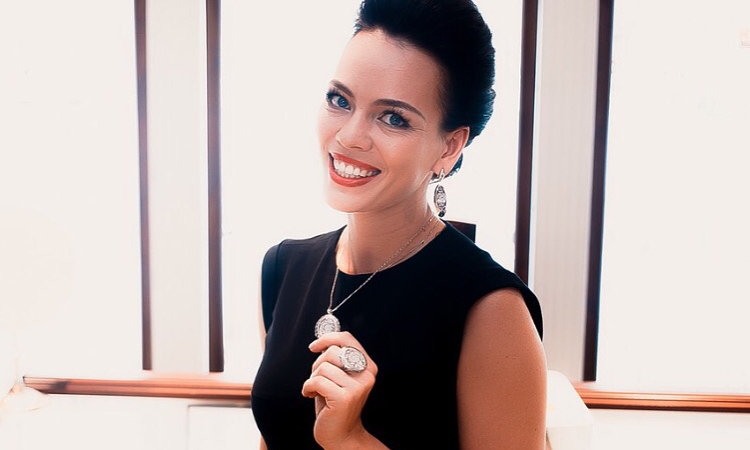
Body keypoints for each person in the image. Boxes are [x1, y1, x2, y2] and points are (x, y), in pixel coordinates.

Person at [250, 0, 547, 448]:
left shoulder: (491, 309)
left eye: (393, 118)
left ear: (449, 147)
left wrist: (351, 439)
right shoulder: (282, 268)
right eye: (340, 100)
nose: (349, 136)